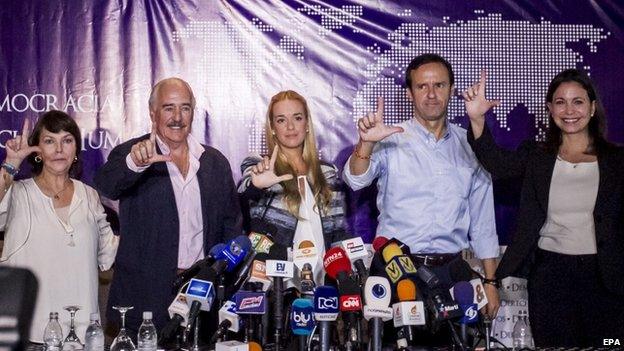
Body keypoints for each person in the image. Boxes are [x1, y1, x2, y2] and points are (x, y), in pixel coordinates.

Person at [465, 68, 624, 346]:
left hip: (607, 279)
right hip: (551, 277)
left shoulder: (618, 160)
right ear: (550, 109)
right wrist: (477, 120)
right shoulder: (537, 156)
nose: (569, 110)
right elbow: (498, 164)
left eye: (578, 101)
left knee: (611, 345)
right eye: (560, 102)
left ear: (593, 107)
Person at [343, 53, 501, 321]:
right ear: (409, 93)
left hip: (452, 273)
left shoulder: (472, 144)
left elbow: (484, 222)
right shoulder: (390, 138)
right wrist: (366, 144)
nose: (431, 94)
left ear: (451, 90)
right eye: (422, 86)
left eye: (439, 85)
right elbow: (355, 179)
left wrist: (491, 281)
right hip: (395, 269)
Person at [94, 78, 242, 334]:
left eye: (185, 108)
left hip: (200, 297)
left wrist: (220, 279)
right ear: (153, 113)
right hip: (143, 300)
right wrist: (135, 163)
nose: (177, 117)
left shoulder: (215, 162)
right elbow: (106, 185)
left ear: (193, 113)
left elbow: (232, 229)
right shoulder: (133, 153)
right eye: (168, 108)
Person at [0, 111, 118, 342]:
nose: (59, 149)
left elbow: (108, 253)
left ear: (75, 150)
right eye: (49, 141)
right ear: (37, 151)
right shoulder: (18, 193)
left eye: (67, 140)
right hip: (26, 335)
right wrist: (11, 163)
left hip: (83, 335)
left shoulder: (89, 195)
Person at [238, 90, 351, 285]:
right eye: (281, 120)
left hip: (323, 280)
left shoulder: (328, 173)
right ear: (272, 127)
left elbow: (337, 233)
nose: (290, 126)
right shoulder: (259, 165)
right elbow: (244, 191)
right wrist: (256, 185)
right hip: (274, 280)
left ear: (307, 124)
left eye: (297, 118)